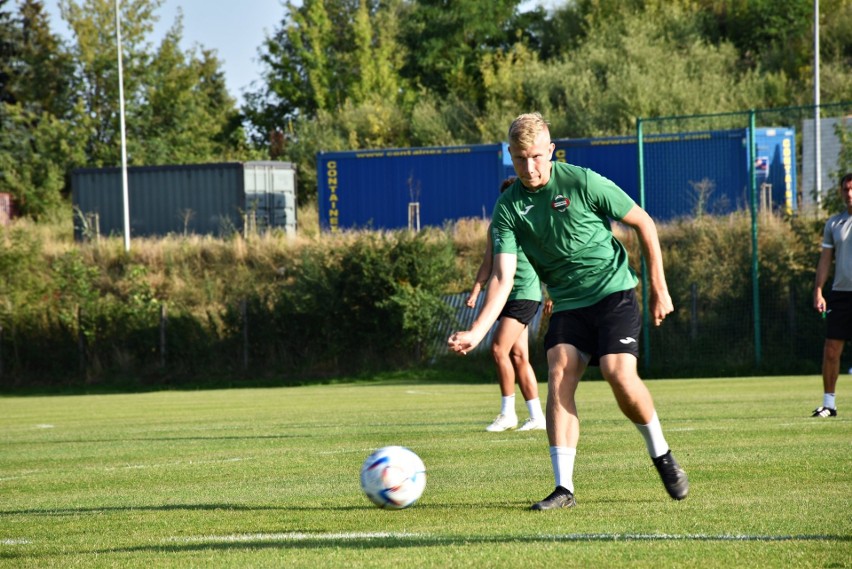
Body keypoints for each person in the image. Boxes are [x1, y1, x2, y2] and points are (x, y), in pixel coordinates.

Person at [448, 112, 688, 510]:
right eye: (521, 158)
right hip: (568, 303)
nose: (530, 167)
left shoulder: (581, 181)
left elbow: (644, 224)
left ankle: (661, 454)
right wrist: (476, 331)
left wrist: (660, 289)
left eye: (538, 157)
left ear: (551, 151)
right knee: (559, 373)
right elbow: (503, 278)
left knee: (617, 373)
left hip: (613, 293)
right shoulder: (508, 208)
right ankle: (564, 489)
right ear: (511, 155)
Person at [466, 176, 550, 432]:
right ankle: (536, 417)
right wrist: (476, 289)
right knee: (518, 355)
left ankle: (507, 414)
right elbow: (488, 262)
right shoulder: (498, 225)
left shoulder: (531, 223)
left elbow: (547, 259)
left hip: (525, 293)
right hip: (504, 296)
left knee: (498, 349)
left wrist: (551, 294)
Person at [811, 172, 852, 418]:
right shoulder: (834, 224)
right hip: (840, 295)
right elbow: (825, 260)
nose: (849, 193)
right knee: (831, 350)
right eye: (846, 189)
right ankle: (829, 404)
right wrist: (818, 290)